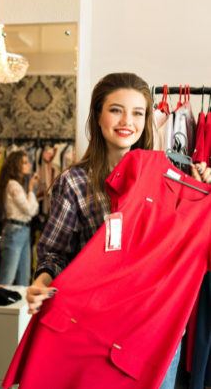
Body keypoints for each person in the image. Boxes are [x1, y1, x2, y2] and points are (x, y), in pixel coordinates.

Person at [26, 73, 211, 389]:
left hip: (154, 334)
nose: (128, 121)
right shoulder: (74, 183)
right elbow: (55, 254)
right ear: (97, 116)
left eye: (138, 112)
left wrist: (205, 193)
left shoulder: (177, 179)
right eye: (116, 110)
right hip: (92, 330)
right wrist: (41, 283)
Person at [0, 150, 39, 286]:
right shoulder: (13, 185)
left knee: (23, 277)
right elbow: (30, 210)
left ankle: (22, 306)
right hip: (15, 231)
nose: (29, 165)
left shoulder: (16, 186)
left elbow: (32, 210)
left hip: (21, 230)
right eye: (25, 163)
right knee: (8, 277)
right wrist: (31, 189)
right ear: (16, 165)